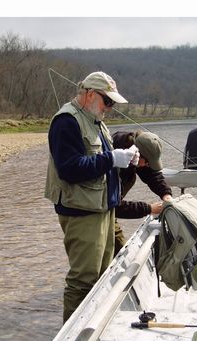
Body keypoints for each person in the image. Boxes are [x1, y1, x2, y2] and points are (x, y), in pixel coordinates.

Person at [45, 71, 139, 323]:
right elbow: (69, 169)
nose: (110, 107)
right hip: (82, 213)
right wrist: (111, 158)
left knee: (102, 275)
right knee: (82, 280)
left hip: (102, 210)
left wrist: (126, 160)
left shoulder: (96, 121)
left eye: (113, 103)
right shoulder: (66, 122)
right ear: (89, 94)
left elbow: (99, 163)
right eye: (107, 101)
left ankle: (91, 326)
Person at [112, 130, 173, 255]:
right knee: (108, 257)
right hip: (91, 213)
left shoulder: (135, 154)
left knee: (122, 252)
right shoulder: (114, 162)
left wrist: (166, 194)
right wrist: (149, 208)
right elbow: (114, 205)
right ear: (137, 153)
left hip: (108, 211)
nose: (146, 165)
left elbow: (151, 175)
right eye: (146, 162)